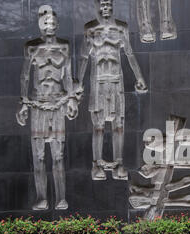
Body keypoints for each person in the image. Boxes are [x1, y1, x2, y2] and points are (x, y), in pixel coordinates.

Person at [16, 5, 79, 210]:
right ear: (40, 25)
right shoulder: (31, 47)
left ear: (57, 24)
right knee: (39, 155)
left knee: (58, 154)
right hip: (38, 105)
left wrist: (71, 99)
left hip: (58, 104)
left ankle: (61, 197)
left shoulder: (65, 47)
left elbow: (68, 75)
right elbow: (25, 76)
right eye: (46, 22)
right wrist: (23, 103)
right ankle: (42, 197)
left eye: (53, 22)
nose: (49, 25)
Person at [78, 0, 148, 181]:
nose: (105, 7)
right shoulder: (91, 30)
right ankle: (96, 164)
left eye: (109, 4)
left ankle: (119, 163)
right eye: (102, 4)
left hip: (116, 82)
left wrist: (139, 77)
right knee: (99, 126)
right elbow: (84, 57)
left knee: (118, 125)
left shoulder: (121, 29)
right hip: (99, 82)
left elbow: (130, 54)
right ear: (97, 7)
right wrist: (78, 83)